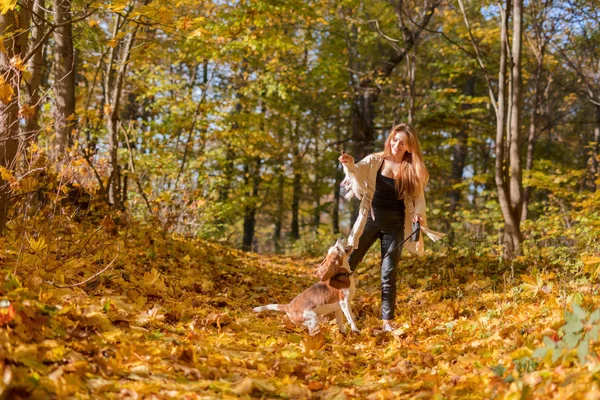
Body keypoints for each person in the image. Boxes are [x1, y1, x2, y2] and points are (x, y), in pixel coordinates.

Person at [338, 123, 443, 332]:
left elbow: (418, 198)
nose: (396, 144)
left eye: (402, 142)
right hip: (370, 221)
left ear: (409, 146)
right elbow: (357, 174)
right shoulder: (375, 161)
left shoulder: (412, 169)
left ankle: (387, 321)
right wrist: (350, 164)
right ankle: (333, 308)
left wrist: (418, 214)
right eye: (394, 140)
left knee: (389, 273)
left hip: (396, 225)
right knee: (348, 264)